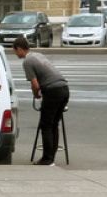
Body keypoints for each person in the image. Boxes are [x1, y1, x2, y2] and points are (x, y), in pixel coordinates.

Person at [12, 36, 70, 166]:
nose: (15, 54)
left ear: (20, 49)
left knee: (46, 125)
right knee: (54, 125)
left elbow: (35, 84)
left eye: (15, 51)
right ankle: (51, 157)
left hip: (52, 91)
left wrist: (36, 94)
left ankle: (47, 159)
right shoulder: (38, 55)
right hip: (64, 88)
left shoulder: (27, 62)